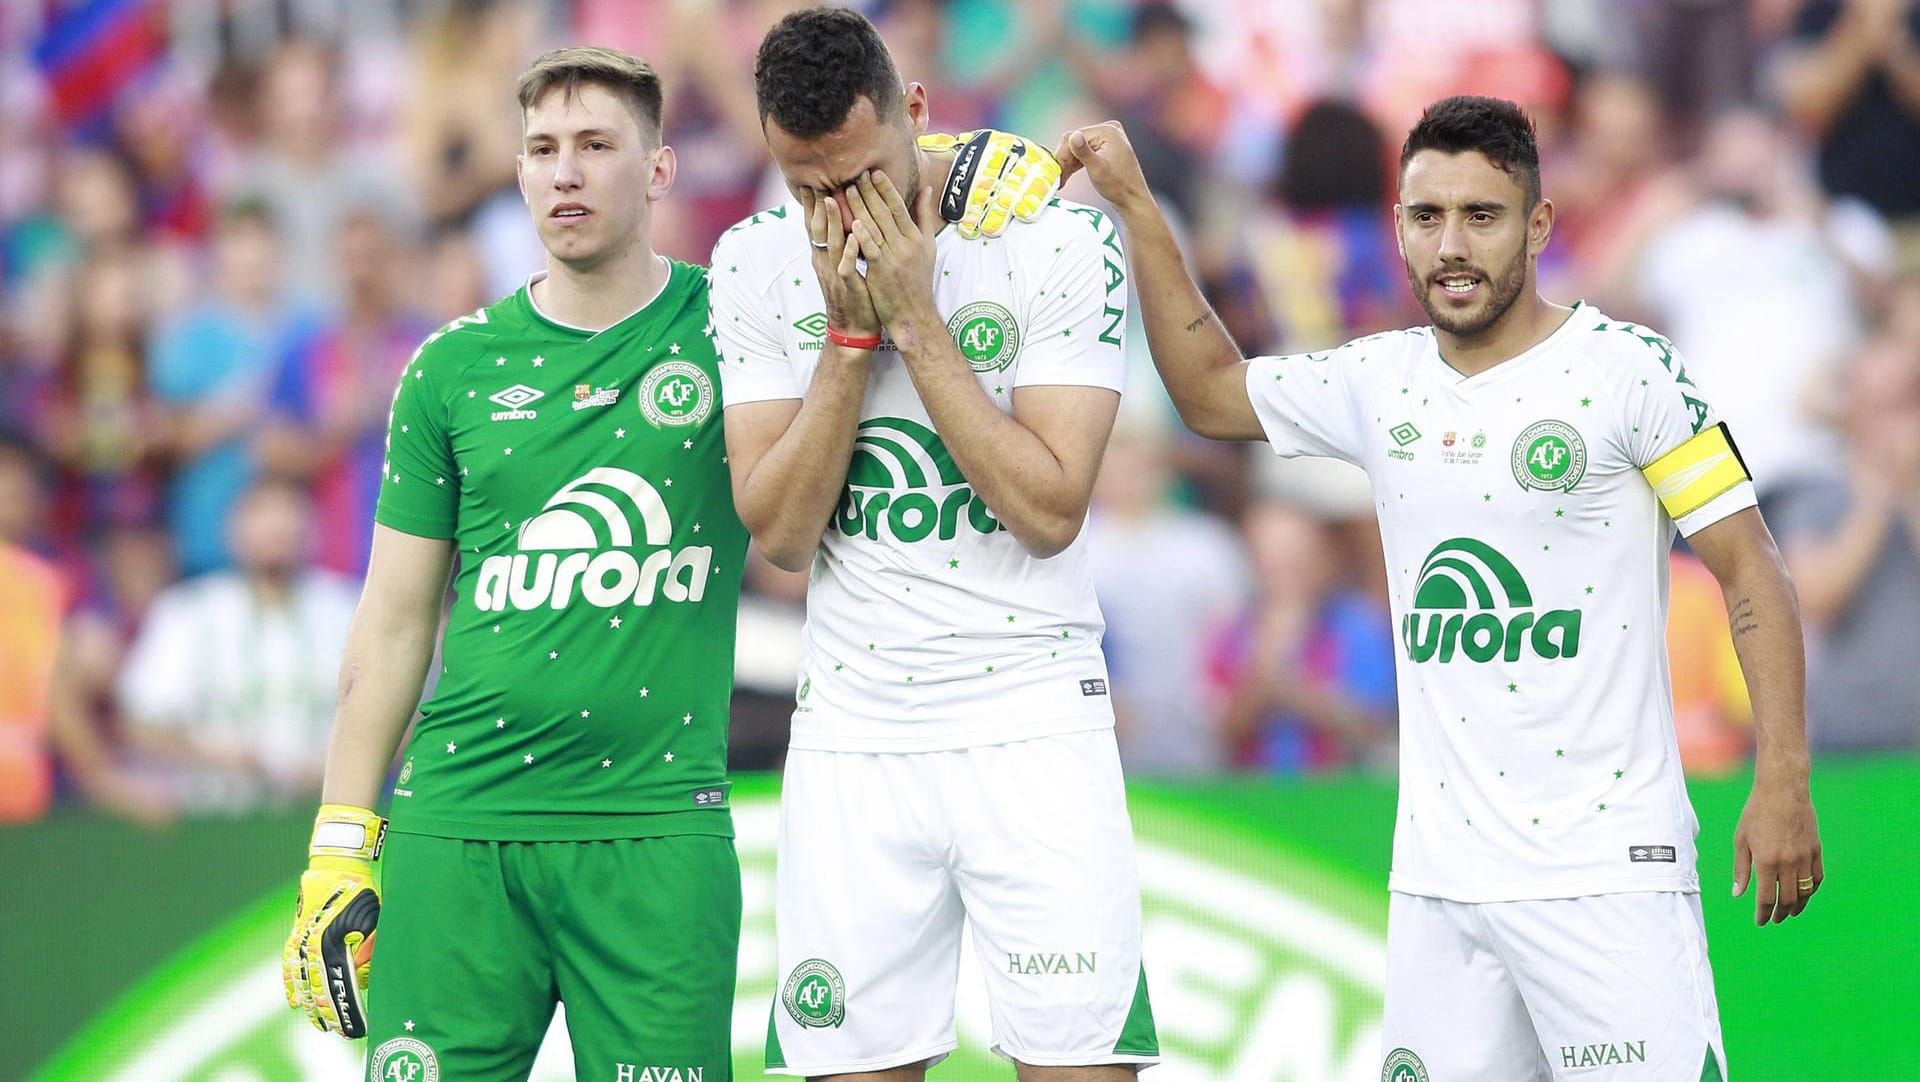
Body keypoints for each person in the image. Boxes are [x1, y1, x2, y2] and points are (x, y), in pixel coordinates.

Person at [280, 41, 1062, 1081]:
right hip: (459, 826)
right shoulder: (449, 369)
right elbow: (389, 627)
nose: (565, 171)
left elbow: (847, 194)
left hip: (656, 835)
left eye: (597, 145)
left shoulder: (738, 317)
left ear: (658, 170)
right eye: (543, 148)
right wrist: (340, 840)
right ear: (516, 172)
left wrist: (962, 159)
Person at [1057, 96, 1823, 1080]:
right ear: (1400, 232)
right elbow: (1209, 388)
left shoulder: (1628, 373)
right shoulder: (1382, 382)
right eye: (1427, 218)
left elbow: (1749, 563)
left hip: (1605, 878)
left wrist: (1784, 774)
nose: (1451, 245)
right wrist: (1136, 203)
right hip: (1439, 894)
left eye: (1482, 215)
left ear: (1538, 225)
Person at [714, 8, 1157, 1077]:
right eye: (807, 185)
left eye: (862, 177)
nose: (839, 214)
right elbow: (776, 532)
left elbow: (1049, 511)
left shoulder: (1056, 236)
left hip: (1033, 717)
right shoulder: (751, 260)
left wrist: (916, 318)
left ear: (916, 113)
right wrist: (849, 340)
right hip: (854, 732)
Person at [116, 476, 357, 811]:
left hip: (327, 813)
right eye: (261, 513)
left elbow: (406, 720)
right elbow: (140, 725)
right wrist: (220, 757)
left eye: (288, 513)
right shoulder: (187, 612)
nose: (276, 527)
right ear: (232, 530)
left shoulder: (349, 609)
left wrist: (337, 768)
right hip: (213, 816)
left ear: (314, 528)